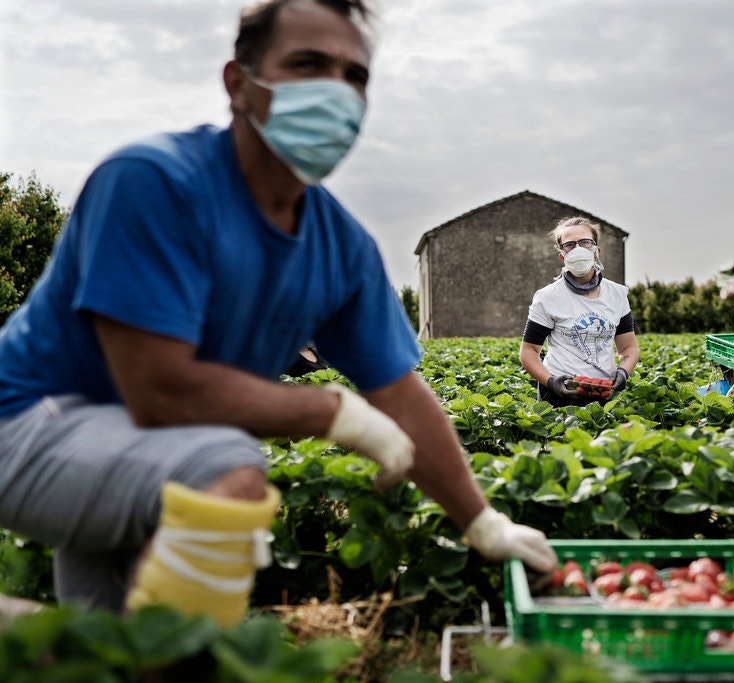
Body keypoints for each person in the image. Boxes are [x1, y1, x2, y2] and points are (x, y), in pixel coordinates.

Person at [0, 0, 556, 628]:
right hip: (26, 424)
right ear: (239, 83)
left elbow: (400, 394)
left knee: (107, 655)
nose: (336, 92)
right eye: (308, 64)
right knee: (227, 470)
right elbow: (158, 390)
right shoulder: (155, 182)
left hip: (137, 451)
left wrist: (482, 522)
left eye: (355, 76)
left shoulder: (342, 248)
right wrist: (333, 412)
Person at [519, 216, 640, 408]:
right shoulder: (548, 297)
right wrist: (551, 381)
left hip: (602, 391)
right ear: (562, 256)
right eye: (569, 245)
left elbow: (628, 348)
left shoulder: (617, 294)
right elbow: (529, 351)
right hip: (560, 392)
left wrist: (623, 371)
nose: (578, 249)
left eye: (585, 242)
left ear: (596, 251)